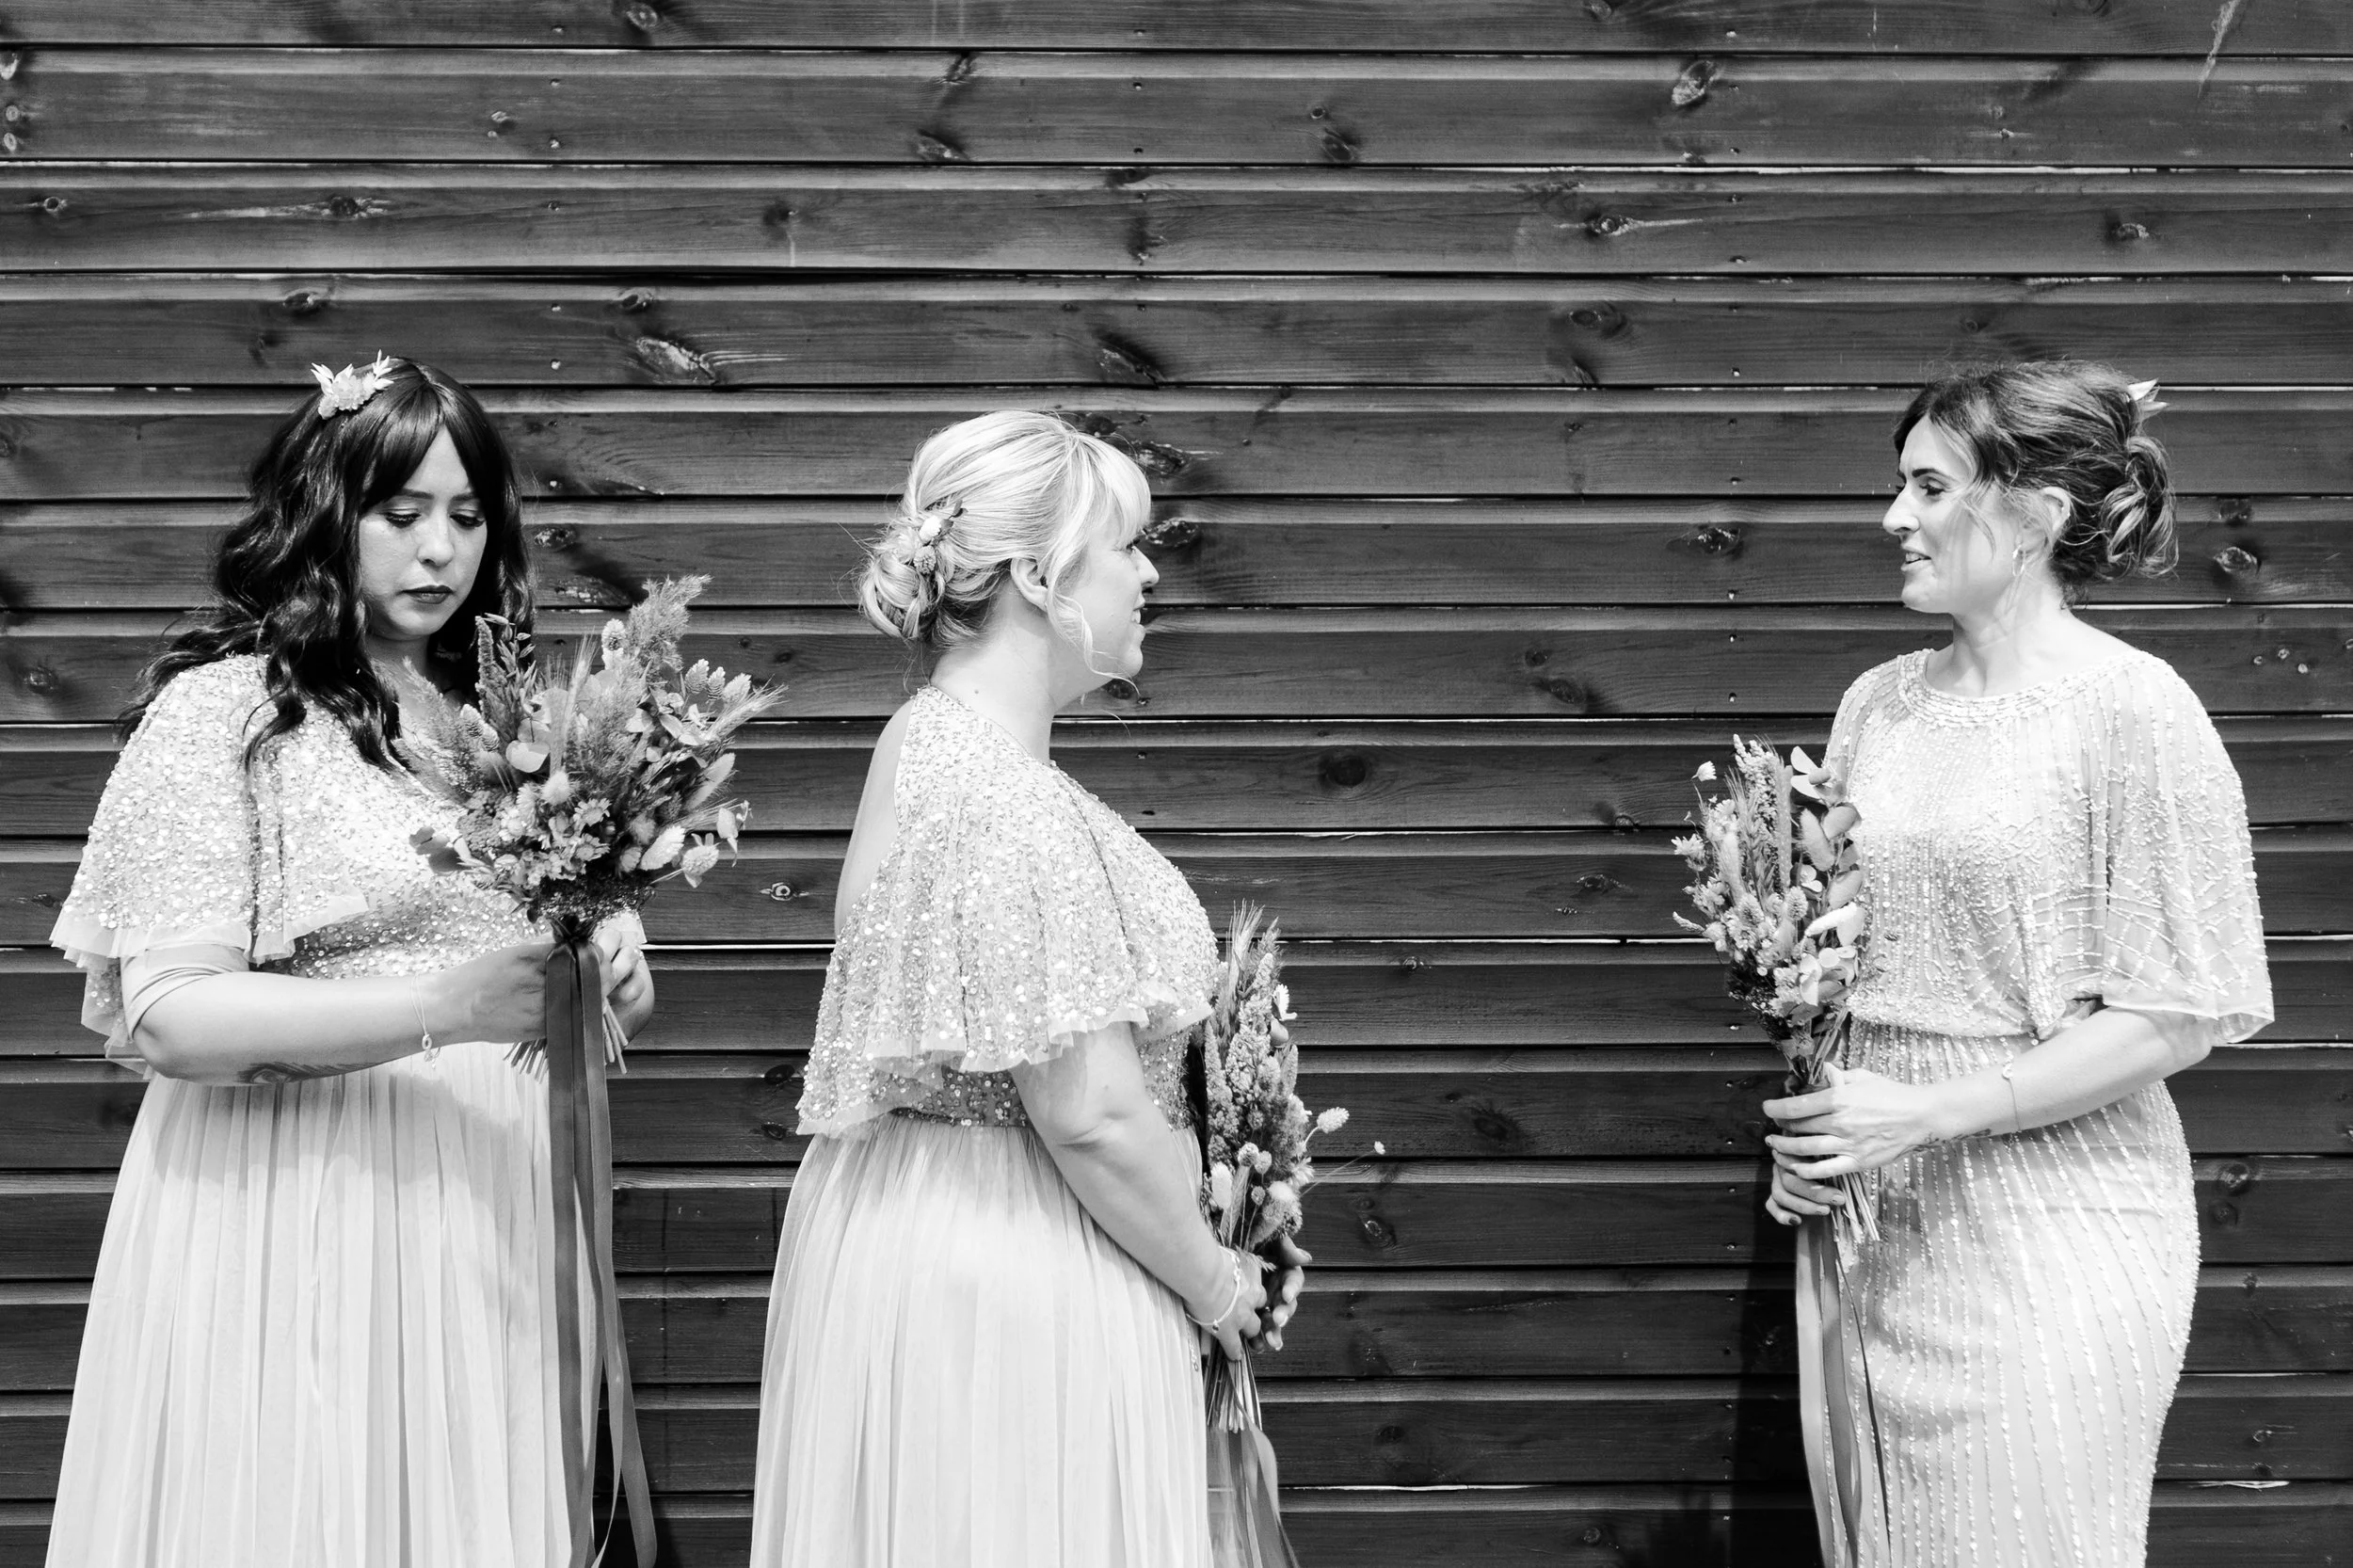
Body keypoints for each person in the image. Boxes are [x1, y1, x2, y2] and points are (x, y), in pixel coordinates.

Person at [44, 357, 655, 1568]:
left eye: (468, 518)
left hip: (485, 1204)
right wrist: (446, 1004)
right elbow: (169, 1013)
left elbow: (520, 964)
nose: (441, 551)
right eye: (403, 513)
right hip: (301, 1194)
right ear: (328, 511)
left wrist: (603, 956)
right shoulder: (229, 715)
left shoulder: (503, 727)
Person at [750, 411, 1304, 1567]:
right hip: (1013, 1266)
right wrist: (1217, 1282)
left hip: (934, 1232)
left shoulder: (929, 746)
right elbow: (1088, 1109)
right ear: (1042, 576)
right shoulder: (999, 794)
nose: (1150, 571)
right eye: (1127, 545)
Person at [1760, 361, 2272, 1567]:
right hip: (1878, 1232)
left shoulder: (2135, 711)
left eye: (1929, 486)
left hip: (2054, 1227)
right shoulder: (1873, 707)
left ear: (2035, 513)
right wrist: (1819, 1133)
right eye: (1899, 486)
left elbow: (2176, 1014)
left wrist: (1930, 1111)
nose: (1895, 517)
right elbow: (1832, 969)